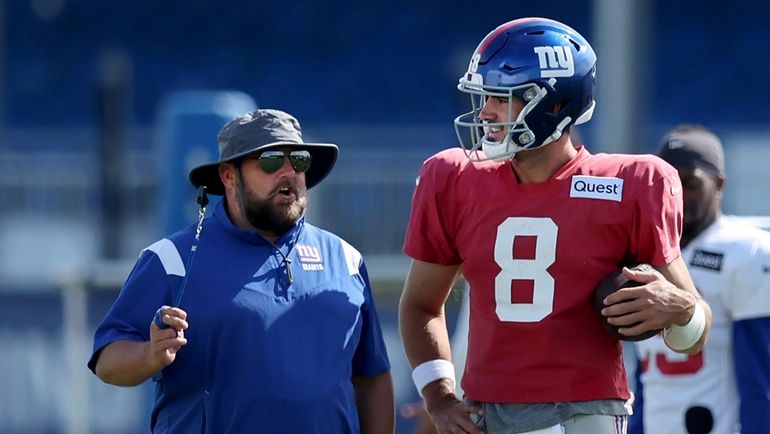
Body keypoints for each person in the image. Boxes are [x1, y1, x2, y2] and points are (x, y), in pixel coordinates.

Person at [398, 17, 712, 434]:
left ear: (555, 104)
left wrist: (682, 308)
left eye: (502, 97)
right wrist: (438, 397)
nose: (485, 112)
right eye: (484, 96)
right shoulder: (453, 178)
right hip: (486, 412)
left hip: (588, 413)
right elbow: (420, 305)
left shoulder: (631, 184)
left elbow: (690, 337)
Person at [88, 109, 395, 434]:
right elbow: (108, 360)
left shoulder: (346, 260)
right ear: (229, 175)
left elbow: (371, 375)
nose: (289, 172)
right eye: (272, 160)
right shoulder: (171, 260)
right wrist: (149, 355)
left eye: (300, 160)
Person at [630, 125, 770, 434]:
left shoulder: (747, 252)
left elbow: (761, 381)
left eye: (689, 183)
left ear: (719, 184)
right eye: (667, 182)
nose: (676, 193)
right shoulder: (644, 253)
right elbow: (645, 379)